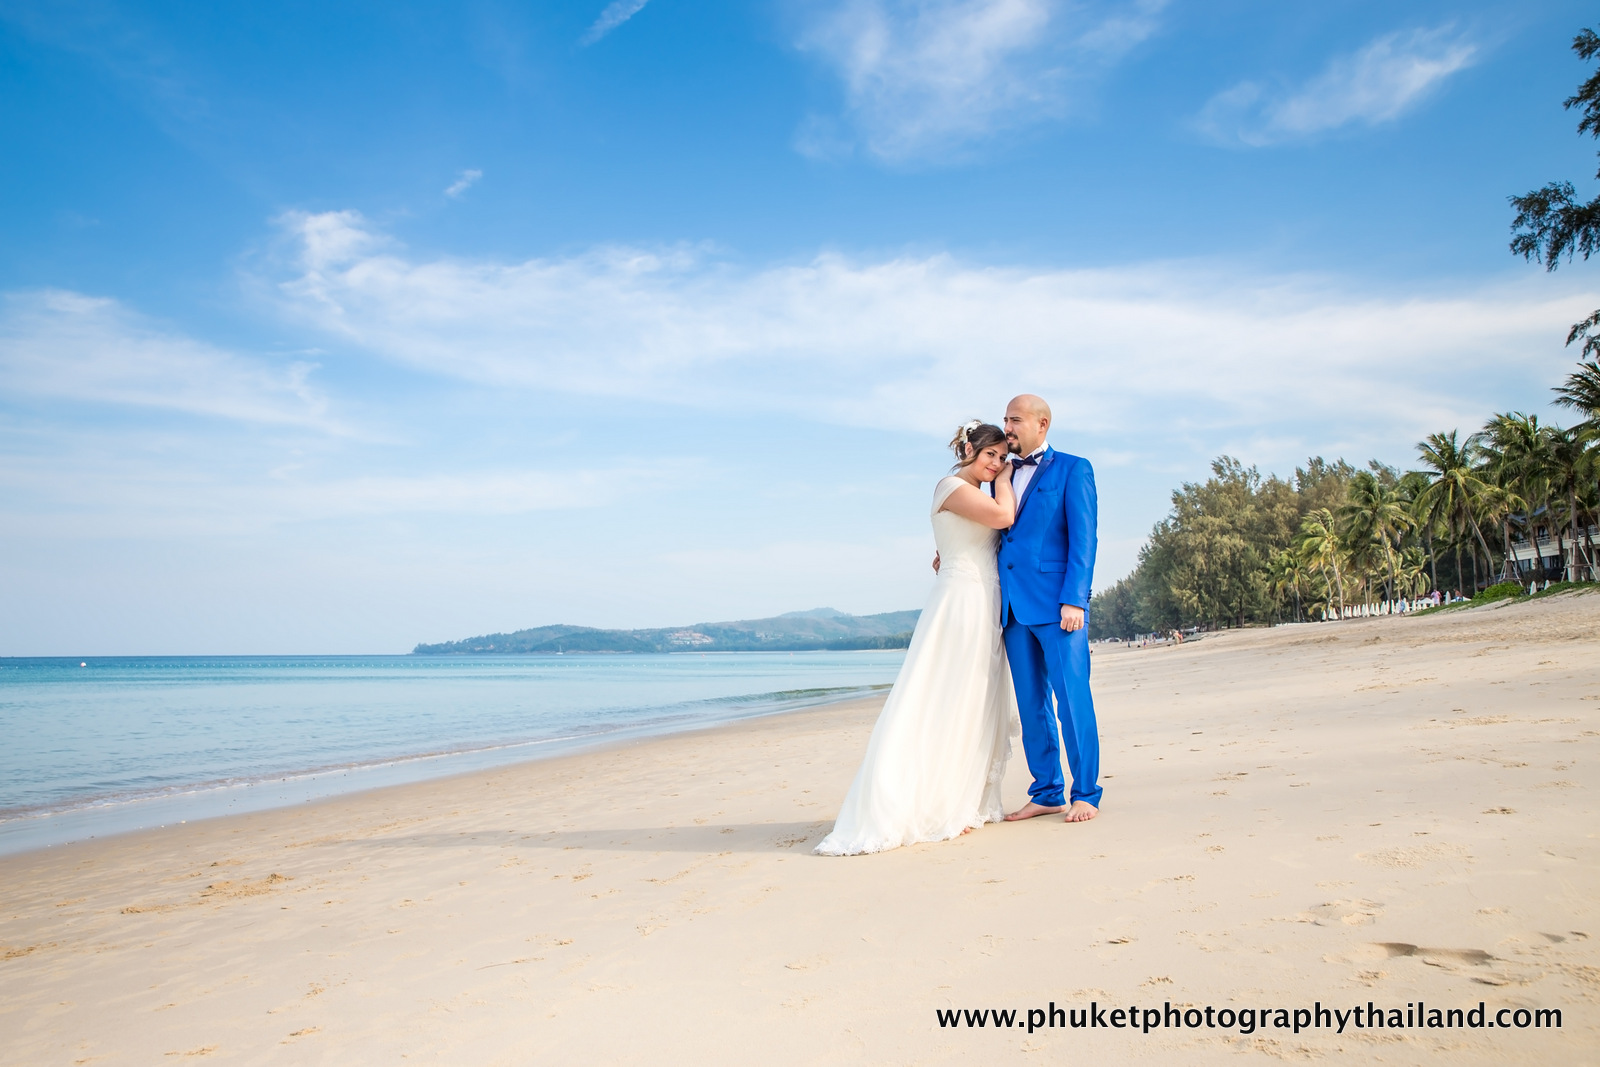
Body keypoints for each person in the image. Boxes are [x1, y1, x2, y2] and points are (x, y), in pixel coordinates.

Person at [815, 421, 1020, 856]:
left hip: (984, 601)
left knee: (973, 699)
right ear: (969, 449)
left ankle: (960, 797)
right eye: (991, 456)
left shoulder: (975, 493)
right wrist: (1006, 479)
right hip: (960, 603)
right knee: (943, 697)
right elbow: (1004, 517)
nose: (997, 465)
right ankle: (926, 801)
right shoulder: (952, 486)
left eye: (1002, 458)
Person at [995, 394, 1103, 825]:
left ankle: (1086, 793)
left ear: (1042, 424)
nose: (1008, 426)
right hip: (1012, 608)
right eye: (1005, 418)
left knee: (1072, 700)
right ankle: (1046, 791)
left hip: (1060, 607)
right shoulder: (998, 473)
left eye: (1015, 419)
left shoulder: (1074, 469)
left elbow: (1084, 538)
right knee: (1031, 705)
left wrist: (1075, 598)